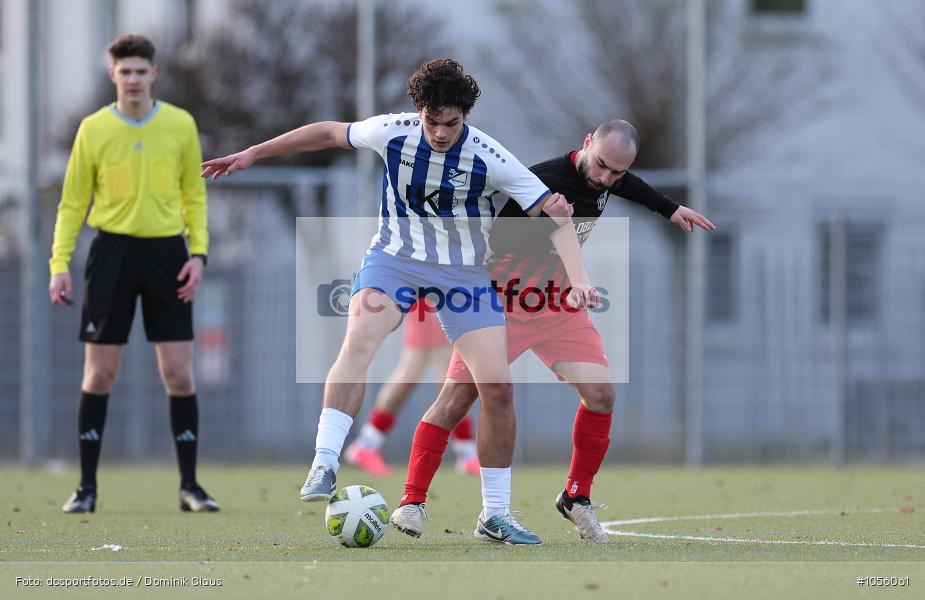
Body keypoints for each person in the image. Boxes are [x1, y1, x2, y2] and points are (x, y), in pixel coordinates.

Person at [201, 59, 595, 544]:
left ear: (465, 118)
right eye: (433, 120)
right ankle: (324, 463)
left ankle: (495, 515)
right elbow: (327, 131)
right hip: (395, 261)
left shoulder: (491, 156)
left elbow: (556, 216)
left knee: (498, 390)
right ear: (419, 111)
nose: (441, 132)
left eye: (452, 123)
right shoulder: (391, 132)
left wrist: (577, 279)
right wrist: (252, 154)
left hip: (464, 276)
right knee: (360, 341)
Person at [389, 119, 715, 544]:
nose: (605, 179)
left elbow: (632, 186)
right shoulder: (545, 182)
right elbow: (539, 234)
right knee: (455, 401)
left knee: (601, 395)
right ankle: (411, 501)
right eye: (600, 166)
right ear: (585, 145)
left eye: (616, 172)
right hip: (501, 300)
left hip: (557, 303)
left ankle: (576, 497)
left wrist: (671, 209)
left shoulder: (610, 176)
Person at [49, 35, 218, 513]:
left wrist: (198, 254)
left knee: (179, 373)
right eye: (125, 71)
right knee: (100, 374)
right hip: (111, 255)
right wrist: (59, 264)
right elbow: (73, 203)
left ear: (154, 74)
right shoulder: (94, 129)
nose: (134, 79)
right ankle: (86, 488)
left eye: (141, 70)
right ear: (113, 76)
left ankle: (190, 486)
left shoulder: (180, 124)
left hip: (168, 254)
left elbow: (194, 194)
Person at [344, 300, 479, 477]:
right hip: (436, 289)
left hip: (442, 289)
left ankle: (367, 442)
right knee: (442, 370)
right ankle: (466, 452)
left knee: (416, 368)